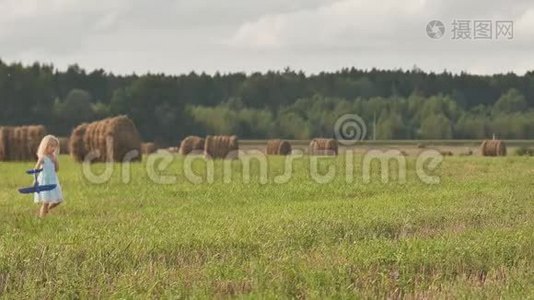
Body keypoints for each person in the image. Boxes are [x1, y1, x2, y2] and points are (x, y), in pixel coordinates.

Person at [33, 135, 63, 217]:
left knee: (58, 200)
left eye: (55, 146)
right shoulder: (42, 158)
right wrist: (35, 180)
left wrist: (55, 161)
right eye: (51, 146)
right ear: (45, 146)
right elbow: (36, 169)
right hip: (45, 181)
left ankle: (47, 210)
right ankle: (42, 218)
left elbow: (56, 169)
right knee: (45, 202)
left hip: (53, 180)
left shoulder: (53, 157)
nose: (53, 148)